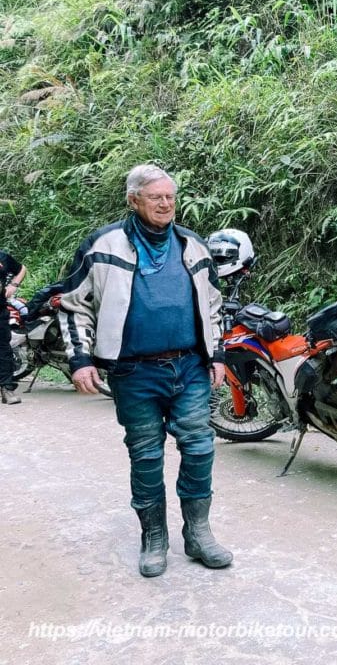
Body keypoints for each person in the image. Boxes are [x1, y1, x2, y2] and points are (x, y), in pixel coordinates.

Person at [59, 164, 232, 577]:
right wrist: (80, 360)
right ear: (133, 199)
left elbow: (213, 305)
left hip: (189, 365)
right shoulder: (103, 245)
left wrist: (218, 354)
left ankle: (198, 532)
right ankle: (154, 537)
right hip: (133, 371)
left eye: (170, 196)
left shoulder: (192, 245)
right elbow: (71, 303)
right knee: (146, 455)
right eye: (156, 197)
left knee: (199, 447)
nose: (166, 203)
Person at [0, 249, 27, 404]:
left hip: (0, 310)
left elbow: (21, 268)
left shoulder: (3, 256)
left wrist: (14, 285)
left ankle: (6, 389)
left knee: (3, 350)